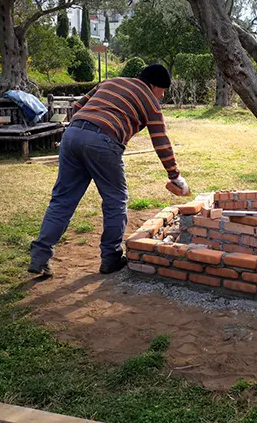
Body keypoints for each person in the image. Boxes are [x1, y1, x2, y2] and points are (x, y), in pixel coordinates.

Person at [28, 64, 189, 276]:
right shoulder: (150, 100)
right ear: (153, 85)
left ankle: (39, 257)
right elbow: (161, 141)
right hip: (104, 141)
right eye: (162, 90)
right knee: (115, 200)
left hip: (72, 135)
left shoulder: (111, 82)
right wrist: (175, 176)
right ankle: (111, 258)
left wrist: (85, 127)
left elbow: (77, 107)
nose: (162, 95)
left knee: (62, 199)